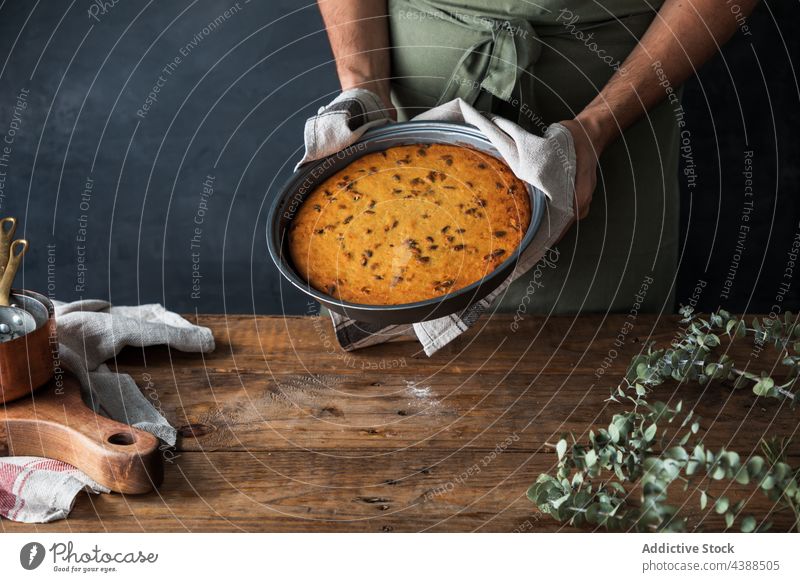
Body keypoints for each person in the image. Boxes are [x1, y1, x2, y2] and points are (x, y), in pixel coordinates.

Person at [316, 0, 758, 314]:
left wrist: (597, 127)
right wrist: (363, 86)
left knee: (598, 370)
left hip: (618, 100)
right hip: (412, 93)